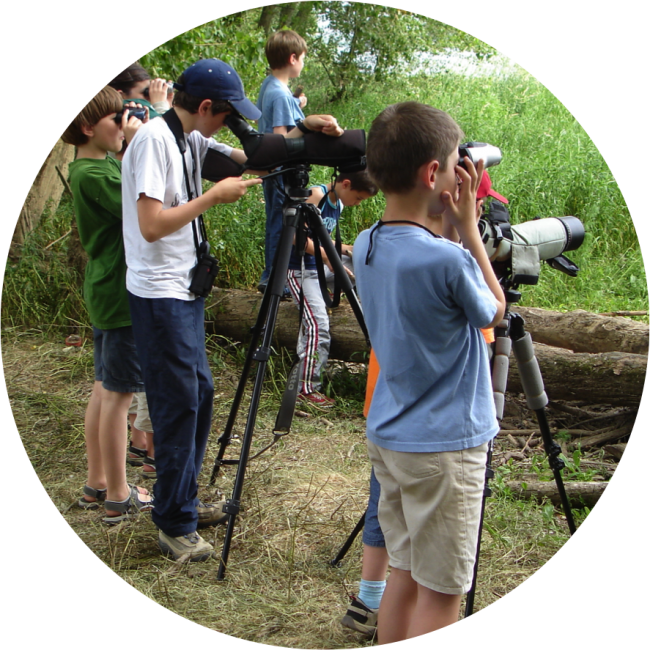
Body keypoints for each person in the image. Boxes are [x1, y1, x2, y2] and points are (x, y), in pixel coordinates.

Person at [121, 58, 344, 562]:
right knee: (180, 406)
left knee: (197, 394)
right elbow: (152, 224)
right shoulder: (156, 141)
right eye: (227, 114)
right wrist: (212, 198)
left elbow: (253, 159)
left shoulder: (187, 138)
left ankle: (183, 501)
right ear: (205, 107)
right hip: (160, 294)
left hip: (182, 289)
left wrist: (303, 131)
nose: (229, 123)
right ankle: (175, 526)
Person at [352, 101, 506, 643]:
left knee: (406, 571)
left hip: (392, 437)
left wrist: (451, 231)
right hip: (444, 449)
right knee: (442, 592)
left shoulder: (366, 243)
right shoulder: (449, 258)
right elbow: (493, 308)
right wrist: (468, 226)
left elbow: (425, 259)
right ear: (432, 175)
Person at [61, 86, 154, 524]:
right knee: (119, 396)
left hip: (105, 288)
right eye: (116, 120)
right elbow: (141, 206)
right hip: (119, 295)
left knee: (104, 388)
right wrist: (138, 143)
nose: (123, 125)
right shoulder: (94, 175)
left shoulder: (93, 167)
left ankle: (97, 481)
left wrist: (126, 142)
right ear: (87, 127)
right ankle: (119, 493)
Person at [288, 171, 377, 407]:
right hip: (300, 271)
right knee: (319, 325)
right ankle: (305, 390)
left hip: (320, 268)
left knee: (363, 262)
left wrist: (348, 249)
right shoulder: (316, 195)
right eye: (358, 198)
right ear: (345, 183)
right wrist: (329, 257)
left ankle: (371, 313)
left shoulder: (338, 203)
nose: (357, 203)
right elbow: (297, 238)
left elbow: (323, 238)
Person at [256, 29, 308, 293]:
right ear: (292, 58)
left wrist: (296, 104)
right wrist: (307, 125)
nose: (302, 63)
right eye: (302, 58)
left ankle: (273, 276)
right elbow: (280, 138)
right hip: (280, 170)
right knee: (281, 223)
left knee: (276, 221)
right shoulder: (279, 94)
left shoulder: (271, 85)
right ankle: (275, 280)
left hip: (273, 168)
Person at [108, 61, 173, 118]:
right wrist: (159, 106)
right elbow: (166, 130)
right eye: (145, 92)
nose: (150, 96)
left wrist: (167, 105)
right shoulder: (116, 120)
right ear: (120, 95)